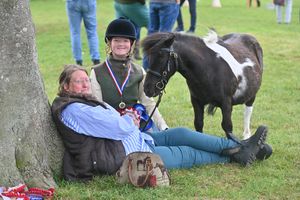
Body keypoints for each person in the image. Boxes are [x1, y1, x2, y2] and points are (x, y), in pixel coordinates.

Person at [51, 64, 271, 181]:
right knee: (186, 153)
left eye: (85, 80)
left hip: (136, 138)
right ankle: (237, 156)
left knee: (182, 133)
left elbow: (114, 121)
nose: (85, 85)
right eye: (78, 82)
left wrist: (130, 119)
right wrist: (130, 119)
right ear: (66, 87)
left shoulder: (83, 101)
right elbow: (118, 127)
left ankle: (241, 148)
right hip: (127, 155)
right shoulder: (75, 109)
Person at [90, 18, 168, 132]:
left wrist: (163, 127)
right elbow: (98, 107)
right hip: (110, 127)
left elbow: (148, 103)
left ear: (131, 44)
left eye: (125, 40)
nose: (121, 44)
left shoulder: (139, 71)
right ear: (109, 43)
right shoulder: (96, 72)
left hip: (136, 123)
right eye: (116, 40)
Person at [143, 0, 180, 70]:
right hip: (169, 3)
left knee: (151, 36)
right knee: (165, 37)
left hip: (154, 2)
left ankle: (146, 68)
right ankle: (157, 70)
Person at [66, 0, 100, 66]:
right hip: (89, 2)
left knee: (75, 32)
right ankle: (96, 59)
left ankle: (78, 60)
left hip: (73, 2)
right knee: (92, 32)